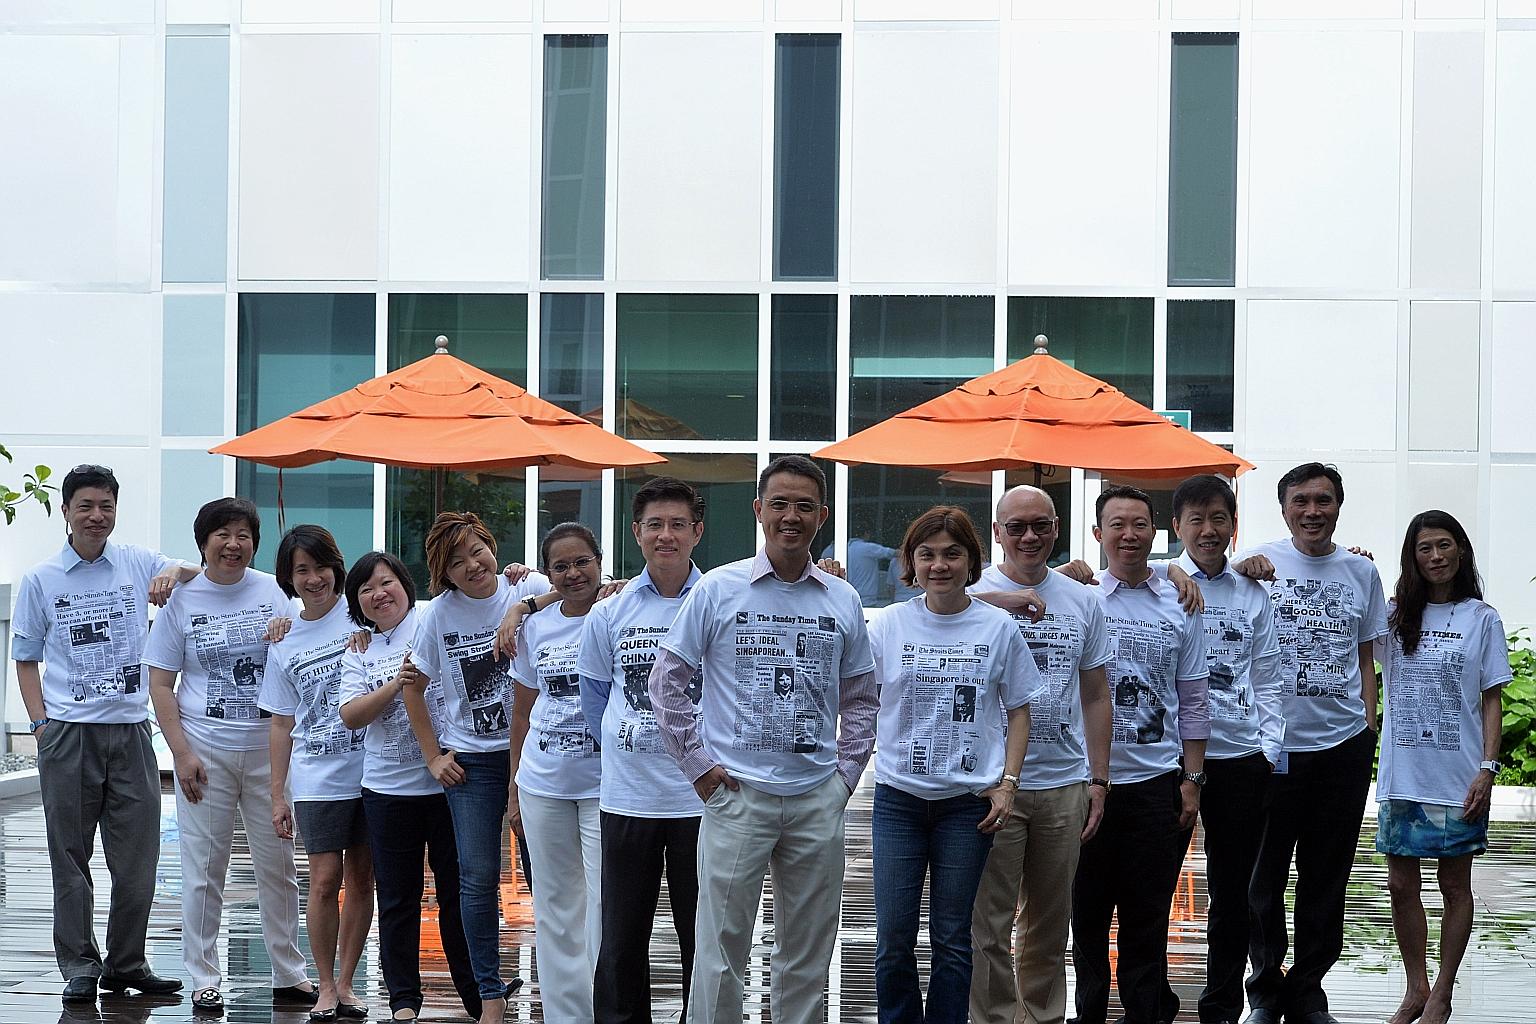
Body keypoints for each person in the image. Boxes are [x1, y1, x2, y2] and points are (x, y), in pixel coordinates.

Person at [648, 455, 877, 1024]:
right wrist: (699, 767)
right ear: (758, 510)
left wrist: (844, 779)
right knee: (720, 949)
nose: (790, 516)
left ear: (822, 516)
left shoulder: (842, 599)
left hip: (816, 798)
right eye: (779, 504)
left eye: (804, 506)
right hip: (737, 796)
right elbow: (666, 682)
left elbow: (861, 697)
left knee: (807, 952)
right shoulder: (719, 589)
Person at [11, 465, 196, 1002]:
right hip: (68, 734)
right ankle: (79, 965)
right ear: (66, 511)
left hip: (131, 731)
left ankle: (126, 963)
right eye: (86, 506)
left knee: (138, 858)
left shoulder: (136, 562)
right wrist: (41, 726)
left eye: (106, 506)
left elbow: (196, 571)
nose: (97, 516)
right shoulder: (42, 579)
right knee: (70, 856)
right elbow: (25, 658)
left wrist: (171, 573)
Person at [869, 506, 1045, 1024]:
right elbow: (857, 698)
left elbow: (1019, 710)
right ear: (911, 562)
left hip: (967, 806)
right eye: (927, 554)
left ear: (971, 561)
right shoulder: (889, 624)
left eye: (952, 554)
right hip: (898, 799)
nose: (939, 565)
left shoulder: (998, 627)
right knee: (894, 936)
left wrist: (1008, 783)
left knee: (952, 937)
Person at [143, 497, 316, 1015]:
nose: (233, 544)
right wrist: (181, 753)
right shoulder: (182, 599)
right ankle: (204, 977)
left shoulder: (274, 591)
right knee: (203, 868)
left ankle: (290, 972)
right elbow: (160, 682)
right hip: (205, 752)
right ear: (204, 542)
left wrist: (292, 633)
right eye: (223, 534)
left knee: (278, 866)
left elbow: (306, 647)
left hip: (269, 753)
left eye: (243, 535)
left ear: (255, 544)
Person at [1234, 464, 1387, 1024]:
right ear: (1284, 509)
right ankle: (1264, 990)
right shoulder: (1254, 564)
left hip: (1342, 745)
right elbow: (1198, 581)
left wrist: (1367, 724)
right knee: (1263, 876)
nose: (1312, 511)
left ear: (1339, 506)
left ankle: (1308, 990)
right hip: (1272, 747)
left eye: (1323, 500)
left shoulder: (1361, 571)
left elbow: (1366, 653)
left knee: (1326, 875)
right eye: (1301, 501)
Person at [969, 485, 1112, 1024]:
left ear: (1056, 529)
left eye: (1041, 525)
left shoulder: (1083, 600)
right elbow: (924, 605)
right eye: (1017, 527)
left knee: (1050, 924)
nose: (1029, 536)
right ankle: (993, 1018)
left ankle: (1041, 1017)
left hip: (1063, 782)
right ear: (997, 532)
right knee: (988, 924)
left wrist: (1098, 780)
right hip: (990, 784)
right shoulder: (972, 593)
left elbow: (1096, 694)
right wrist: (997, 602)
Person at [400, 511, 547, 1024]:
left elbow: (584, 594)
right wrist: (432, 756)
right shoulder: (439, 615)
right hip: (473, 764)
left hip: (537, 754)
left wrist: (523, 606)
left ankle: (559, 984)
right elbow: (413, 686)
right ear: (444, 574)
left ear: (491, 545)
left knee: (545, 874)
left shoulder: (527, 586)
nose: (472, 565)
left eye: (476, 551)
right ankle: (490, 996)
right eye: (456, 562)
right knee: (478, 879)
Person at [1070, 485, 1209, 1024]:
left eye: (1140, 525)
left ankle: (1146, 1013)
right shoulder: (1079, 597)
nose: (1129, 535)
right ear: (1097, 534)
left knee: (1147, 916)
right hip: (1086, 784)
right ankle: (1087, 1014)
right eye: (1117, 525)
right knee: (1086, 913)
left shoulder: (1180, 601)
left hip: (1155, 782)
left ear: (1156, 532)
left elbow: (1194, 698)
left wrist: (1192, 779)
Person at [578, 478, 707, 1024]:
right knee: (622, 937)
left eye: (678, 524)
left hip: (703, 798)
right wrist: (626, 744)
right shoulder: (611, 611)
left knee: (703, 935)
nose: (666, 535)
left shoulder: (718, 600)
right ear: (636, 532)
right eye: (655, 524)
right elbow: (594, 697)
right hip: (628, 797)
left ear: (697, 532)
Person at [1375, 511, 1508, 1024]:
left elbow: (1492, 698)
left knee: (1454, 887)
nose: (1435, 557)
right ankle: (1416, 988)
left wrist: (1488, 768)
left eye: (1444, 545)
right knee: (1400, 886)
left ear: (1461, 551)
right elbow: (1353, 630)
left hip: (1460, 778)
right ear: (1412, 557)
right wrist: (1360, 563)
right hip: (1403, 776)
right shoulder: (1393, 618)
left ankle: (1443, 993)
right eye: (1424, 548)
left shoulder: (1482, 618)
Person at [338, 551, 481, 1024]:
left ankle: (478, 993)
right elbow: (351, 715)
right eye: (366, 589)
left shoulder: (433, 619)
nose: (379, 594)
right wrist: (395, 684)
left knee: (459, 893)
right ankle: (402, 1000)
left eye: (387, 582)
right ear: (358, 603)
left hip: (452, 784)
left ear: (405, 583)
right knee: (398, 899)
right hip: (387, 790)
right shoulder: (359, 650)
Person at [1163, 475, 1283, 1024]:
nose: (1208, 530)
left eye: (1219, 519)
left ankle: (1222, 1006)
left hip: (1240, 759)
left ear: (1234, 526)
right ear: (1177, 527)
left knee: (1234, 892)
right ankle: (1152, 1002)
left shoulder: (1252, 592)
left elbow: (1267, 677)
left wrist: (1268, 749)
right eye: (1197, 519)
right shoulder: (1158, 585)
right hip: (1170, 760)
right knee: (1154, 885)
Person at [258, 525, 373, 1022]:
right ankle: (323, 985)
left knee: (362, 877)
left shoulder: (362, 614)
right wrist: (277, 795)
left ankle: (347, 983)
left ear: (336, 568)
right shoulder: (284, 638)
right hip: (317, 776)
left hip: (372, 770)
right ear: (288, 578)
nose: (313, 578)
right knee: (324, 880)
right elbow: (281, 722)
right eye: (301, 570)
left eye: (320, 567)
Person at [508, 523, 605, 1024]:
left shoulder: (617, 611)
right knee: (555, 906)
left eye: (582, 562)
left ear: (600, 561)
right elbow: (522, 713)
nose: (573, 573)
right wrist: (513, 791)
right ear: (547, 574)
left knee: (605, 904)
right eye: (561, 566)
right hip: (543, 783)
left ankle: (605, 1010)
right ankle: (567, 1015)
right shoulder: (536, 626)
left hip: (607, 785)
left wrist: (523, 603)